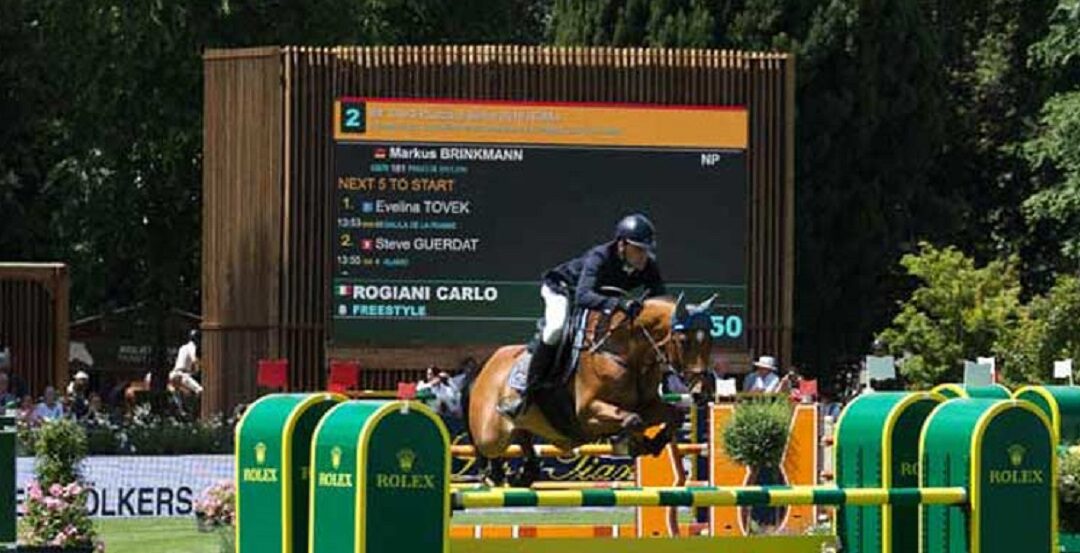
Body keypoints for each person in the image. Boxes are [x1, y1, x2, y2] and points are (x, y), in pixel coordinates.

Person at [498, 213, 666, 418]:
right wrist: (619, 303)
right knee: (556, 329)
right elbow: (583, 296)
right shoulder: (600, 257)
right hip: (562, 289)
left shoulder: (648, 265)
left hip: (597, 299)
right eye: (638, 249)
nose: (643, 255)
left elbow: (659, 296)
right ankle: (525, 392)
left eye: (646, 250)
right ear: (622, 245)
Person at [171, 329, 204, 395]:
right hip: (182, 375)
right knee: (201, 391)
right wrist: (204, 366)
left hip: (173, 374)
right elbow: (194, 360)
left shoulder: (182, 347)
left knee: (186, 394)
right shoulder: (192, 346)